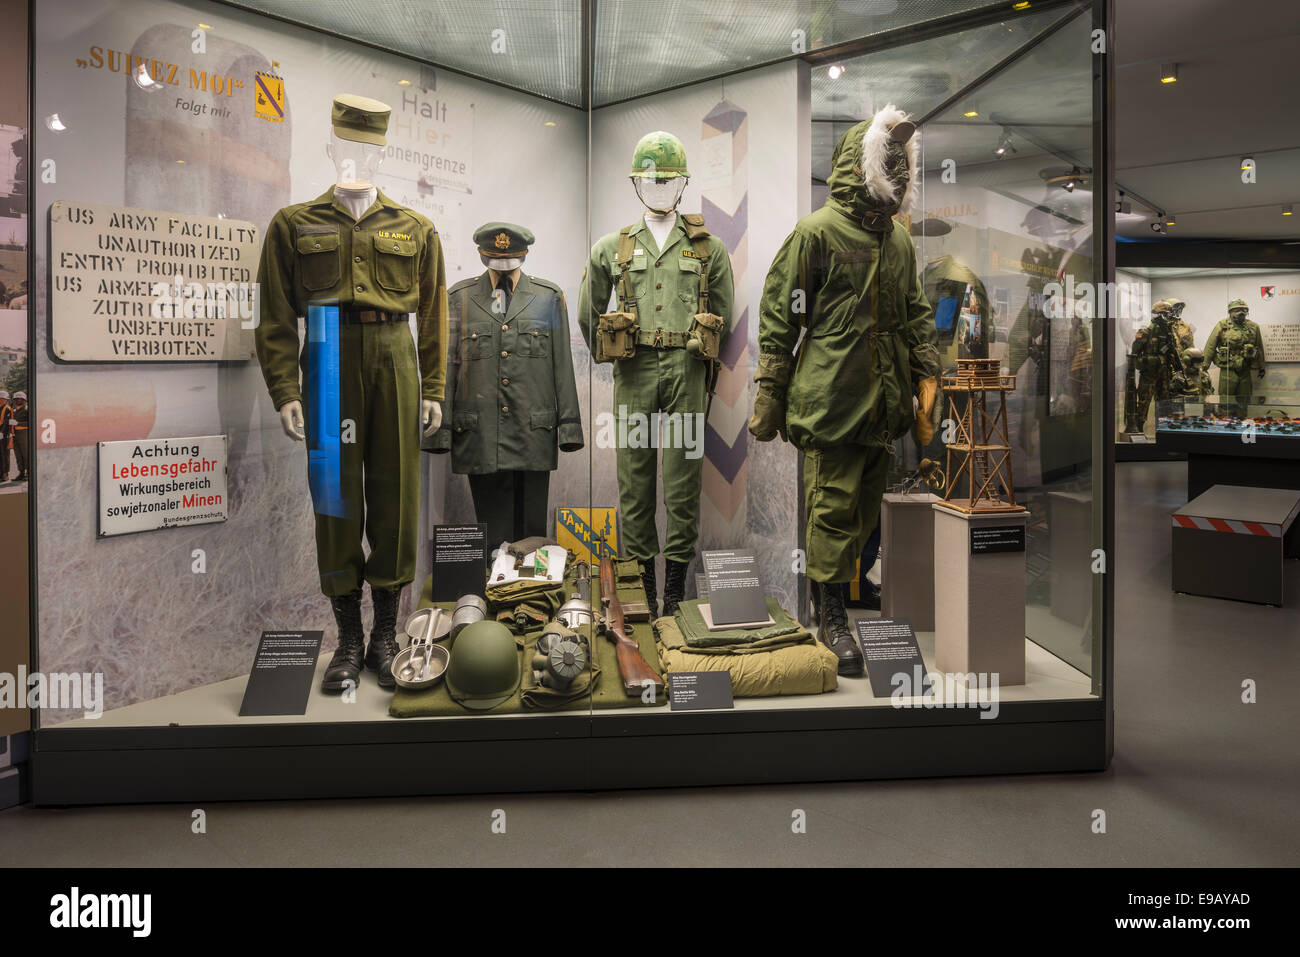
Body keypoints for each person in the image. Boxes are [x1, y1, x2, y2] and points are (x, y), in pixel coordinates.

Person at [255, 94, 447, 694]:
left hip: (394, 356)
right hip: (329, 357)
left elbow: (436, 317)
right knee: (335, 501)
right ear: (331, 146)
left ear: (384, 151)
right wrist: (287, 387)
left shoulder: (416, 228)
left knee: (395, 501)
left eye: (370, 147)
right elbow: (276, 316)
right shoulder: (294, 224)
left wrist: (433, 387)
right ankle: (348, 639)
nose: (358, 155)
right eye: (349, 145)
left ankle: (385, 635)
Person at [749, 105, 939, 676]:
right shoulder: (816, 233)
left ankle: (843, 597)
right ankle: (828, 616)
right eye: (890, 163)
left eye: (903, 164)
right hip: (831, 398)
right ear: (864, 167)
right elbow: (781, 317)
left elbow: (914, 312)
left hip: (883, 404)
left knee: (865, 513)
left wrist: (927, 374)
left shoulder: (899, 243)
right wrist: (769, 396)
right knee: (831, 510)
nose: (899, 175)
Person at [578, 131, 734, 618]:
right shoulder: (612, 247)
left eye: (668, 180)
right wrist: (612, 354)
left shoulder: (708, 249)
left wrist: (702, 353)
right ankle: (643, 587)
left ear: (683, 184)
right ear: (635, 183)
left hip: (687, 370)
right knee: (635, 477)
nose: (660, 188)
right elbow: (587, 313)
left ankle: (674, 593)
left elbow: (723, 316)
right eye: (650, 179)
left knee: (685, 479)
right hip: (635, 371)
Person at [428, 222, 584, 545]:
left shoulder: (548, 297)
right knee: (492, 539)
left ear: (523, 256)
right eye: (495, 260)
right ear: (483, 256)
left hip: (533, 434)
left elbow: (563, 368)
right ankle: (494, 592)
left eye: (509, 260)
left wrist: (569, 430)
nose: (502, 267)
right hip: (481, 435)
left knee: (532, 541)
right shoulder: (460, 298)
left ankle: (532, 595)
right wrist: (440, 433)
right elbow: (446, 368)